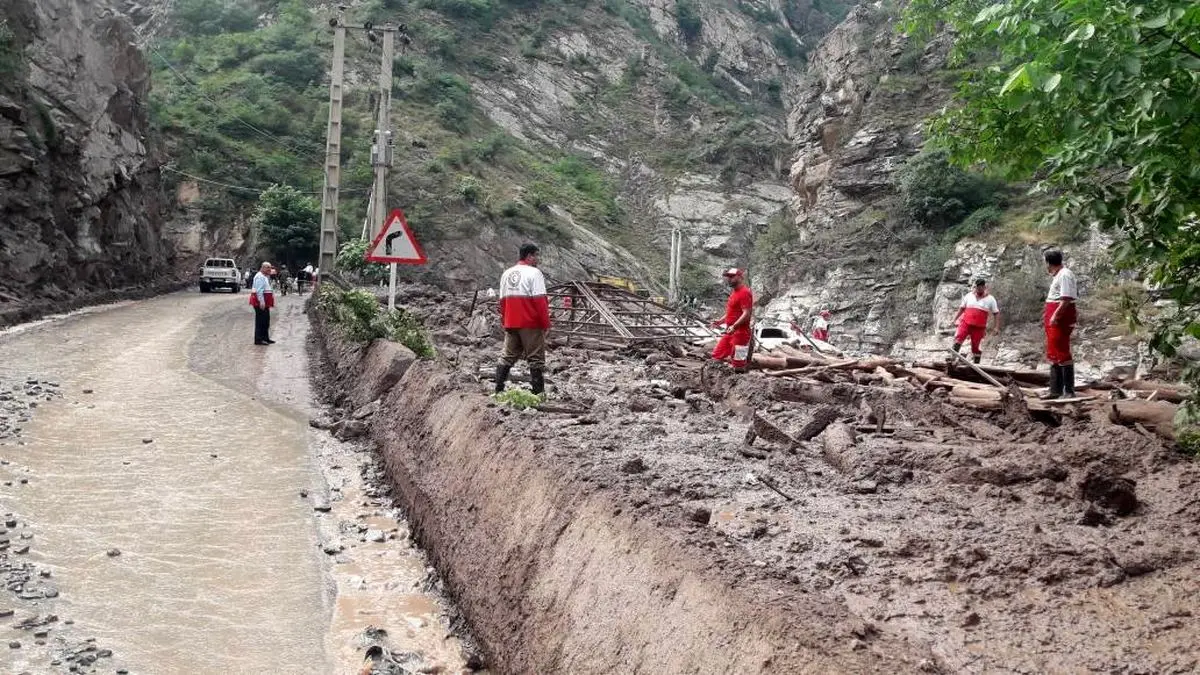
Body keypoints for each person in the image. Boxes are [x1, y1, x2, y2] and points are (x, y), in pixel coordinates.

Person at [495, 244, 551, 396]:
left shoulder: (506, 273)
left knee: (507, 355)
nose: (537, 259)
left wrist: (505, 321)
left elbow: (502, 300)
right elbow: (540, 301)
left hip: (511, 321)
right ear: (529, 256)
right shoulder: (535, 273)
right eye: (536, 256)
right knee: (536, 358)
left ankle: (498, 389)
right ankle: (538, 394)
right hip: (530, 322)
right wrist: (545, 324)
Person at [1043, 249, 1078, 398]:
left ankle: (1069, 391)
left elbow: (1065, 299)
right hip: (1052, 313)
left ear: (1049, 263)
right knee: (1054, 351)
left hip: (1060, 316)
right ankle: (1055, 390)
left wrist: (1055, 316)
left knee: (1062, 350)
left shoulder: (1065, 275)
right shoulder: (1058, 275)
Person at [711, 268, 753, 372]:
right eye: (728, 277)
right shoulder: (734, 293)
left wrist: (735, 326)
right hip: (730, 331)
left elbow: (746, 313)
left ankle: (739, 383)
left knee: (739, 362)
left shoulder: (744, 292)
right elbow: (731, 312)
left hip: (741, 333)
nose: (729, 279)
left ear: (740, 277)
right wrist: (720, 321)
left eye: (732, 277)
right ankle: (717, 380)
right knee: (716, 355)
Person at [952, 278, 1001, 364]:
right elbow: (962, 308)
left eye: (981, 288)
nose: (978, 290)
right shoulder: (969, 296)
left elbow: (996, 313)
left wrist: (996, 327)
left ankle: (976, 366)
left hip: (979, 327)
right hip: (965, 323)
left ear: (984, 287)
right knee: (958, 339)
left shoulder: (990, 299)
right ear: (975, 287)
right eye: (977, 288)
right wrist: (955, 319)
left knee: (976, 347)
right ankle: (952, 359)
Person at [250, 262, 276, 345]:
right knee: (261, 321)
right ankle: (259, 339)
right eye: (268, 267)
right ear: (263, 268)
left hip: (265, 302)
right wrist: (261, 301)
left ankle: (265, 338)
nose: (270, 269)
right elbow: (259, 290)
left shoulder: (264, 276)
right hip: (260, 302)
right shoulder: (260, 277)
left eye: (270, 267)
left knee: (266, 320)